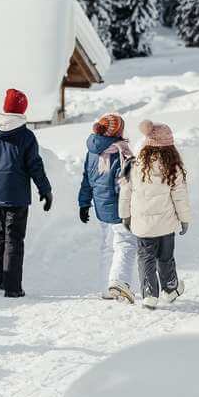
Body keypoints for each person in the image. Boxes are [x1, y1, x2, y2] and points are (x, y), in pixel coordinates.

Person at [0, 87, 53, 298]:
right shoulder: (26, 136)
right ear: (22, 110)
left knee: (0, 234)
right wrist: (45, 189)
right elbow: (35, 165)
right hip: (16, 195)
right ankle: (13, 287)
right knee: (14, 238)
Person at [119, 119, 190, 308]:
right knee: (166, 257)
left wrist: (125, 215)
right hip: (166, 224)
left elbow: (125, 192)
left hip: (142, 225)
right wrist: (184, 220)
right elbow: (180, 196)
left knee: (145, 258)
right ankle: (170, 288)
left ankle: (150, 294)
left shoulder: (135, 165)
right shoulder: (173, 167)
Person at [78, 112, 138, 302]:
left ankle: (105, 288)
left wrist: (84, 203)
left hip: (101, 207)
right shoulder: (122, 151)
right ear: (117, 131)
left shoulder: (92, 151)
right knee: (126, 244)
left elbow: (87, 179)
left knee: (107, 246)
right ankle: (119, 282)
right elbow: (128, 181)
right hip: (119, 207)